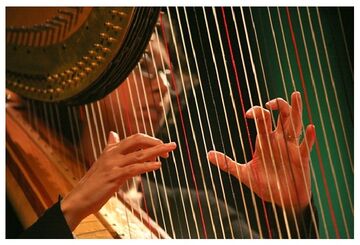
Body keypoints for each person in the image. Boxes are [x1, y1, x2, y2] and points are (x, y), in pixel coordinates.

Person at [18, 19, 317, 239]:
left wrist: (294, 211)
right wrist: (72, 209)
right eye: (144, 66)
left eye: (165, 73)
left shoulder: (202, 212)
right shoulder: (19, 173)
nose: (162, 85)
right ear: (88, 82)